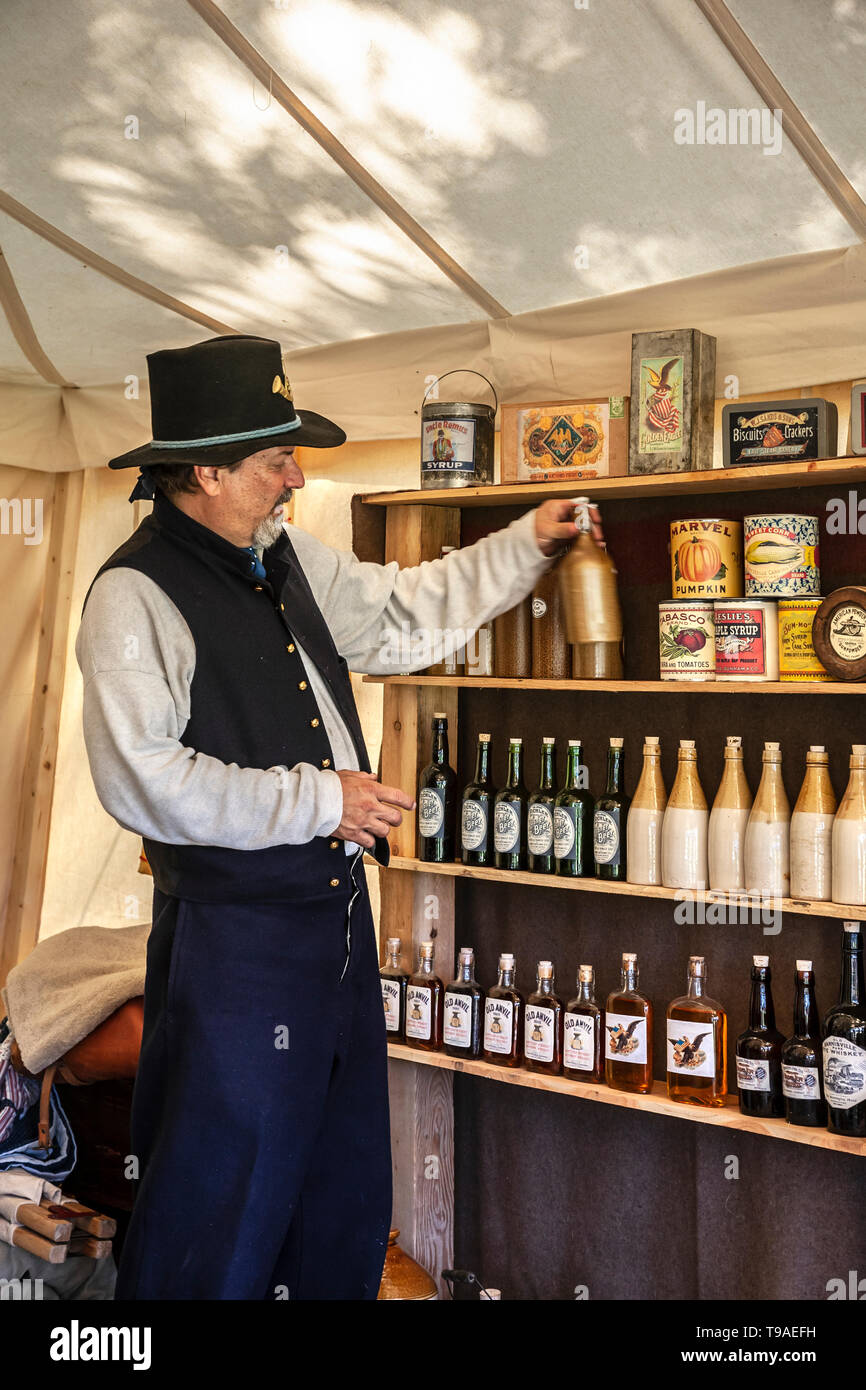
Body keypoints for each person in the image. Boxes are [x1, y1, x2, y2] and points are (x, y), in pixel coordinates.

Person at [75, 334, 582, 1300]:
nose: (296, 477)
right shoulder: (133, 595)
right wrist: (322, 797)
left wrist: (529, 542)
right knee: (219, 1199)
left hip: (335, 929)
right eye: (276, 460)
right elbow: (142, 779)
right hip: (234, 950)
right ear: (209, 470)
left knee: (338, 1187)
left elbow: (399, 615)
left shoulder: (287, 554)